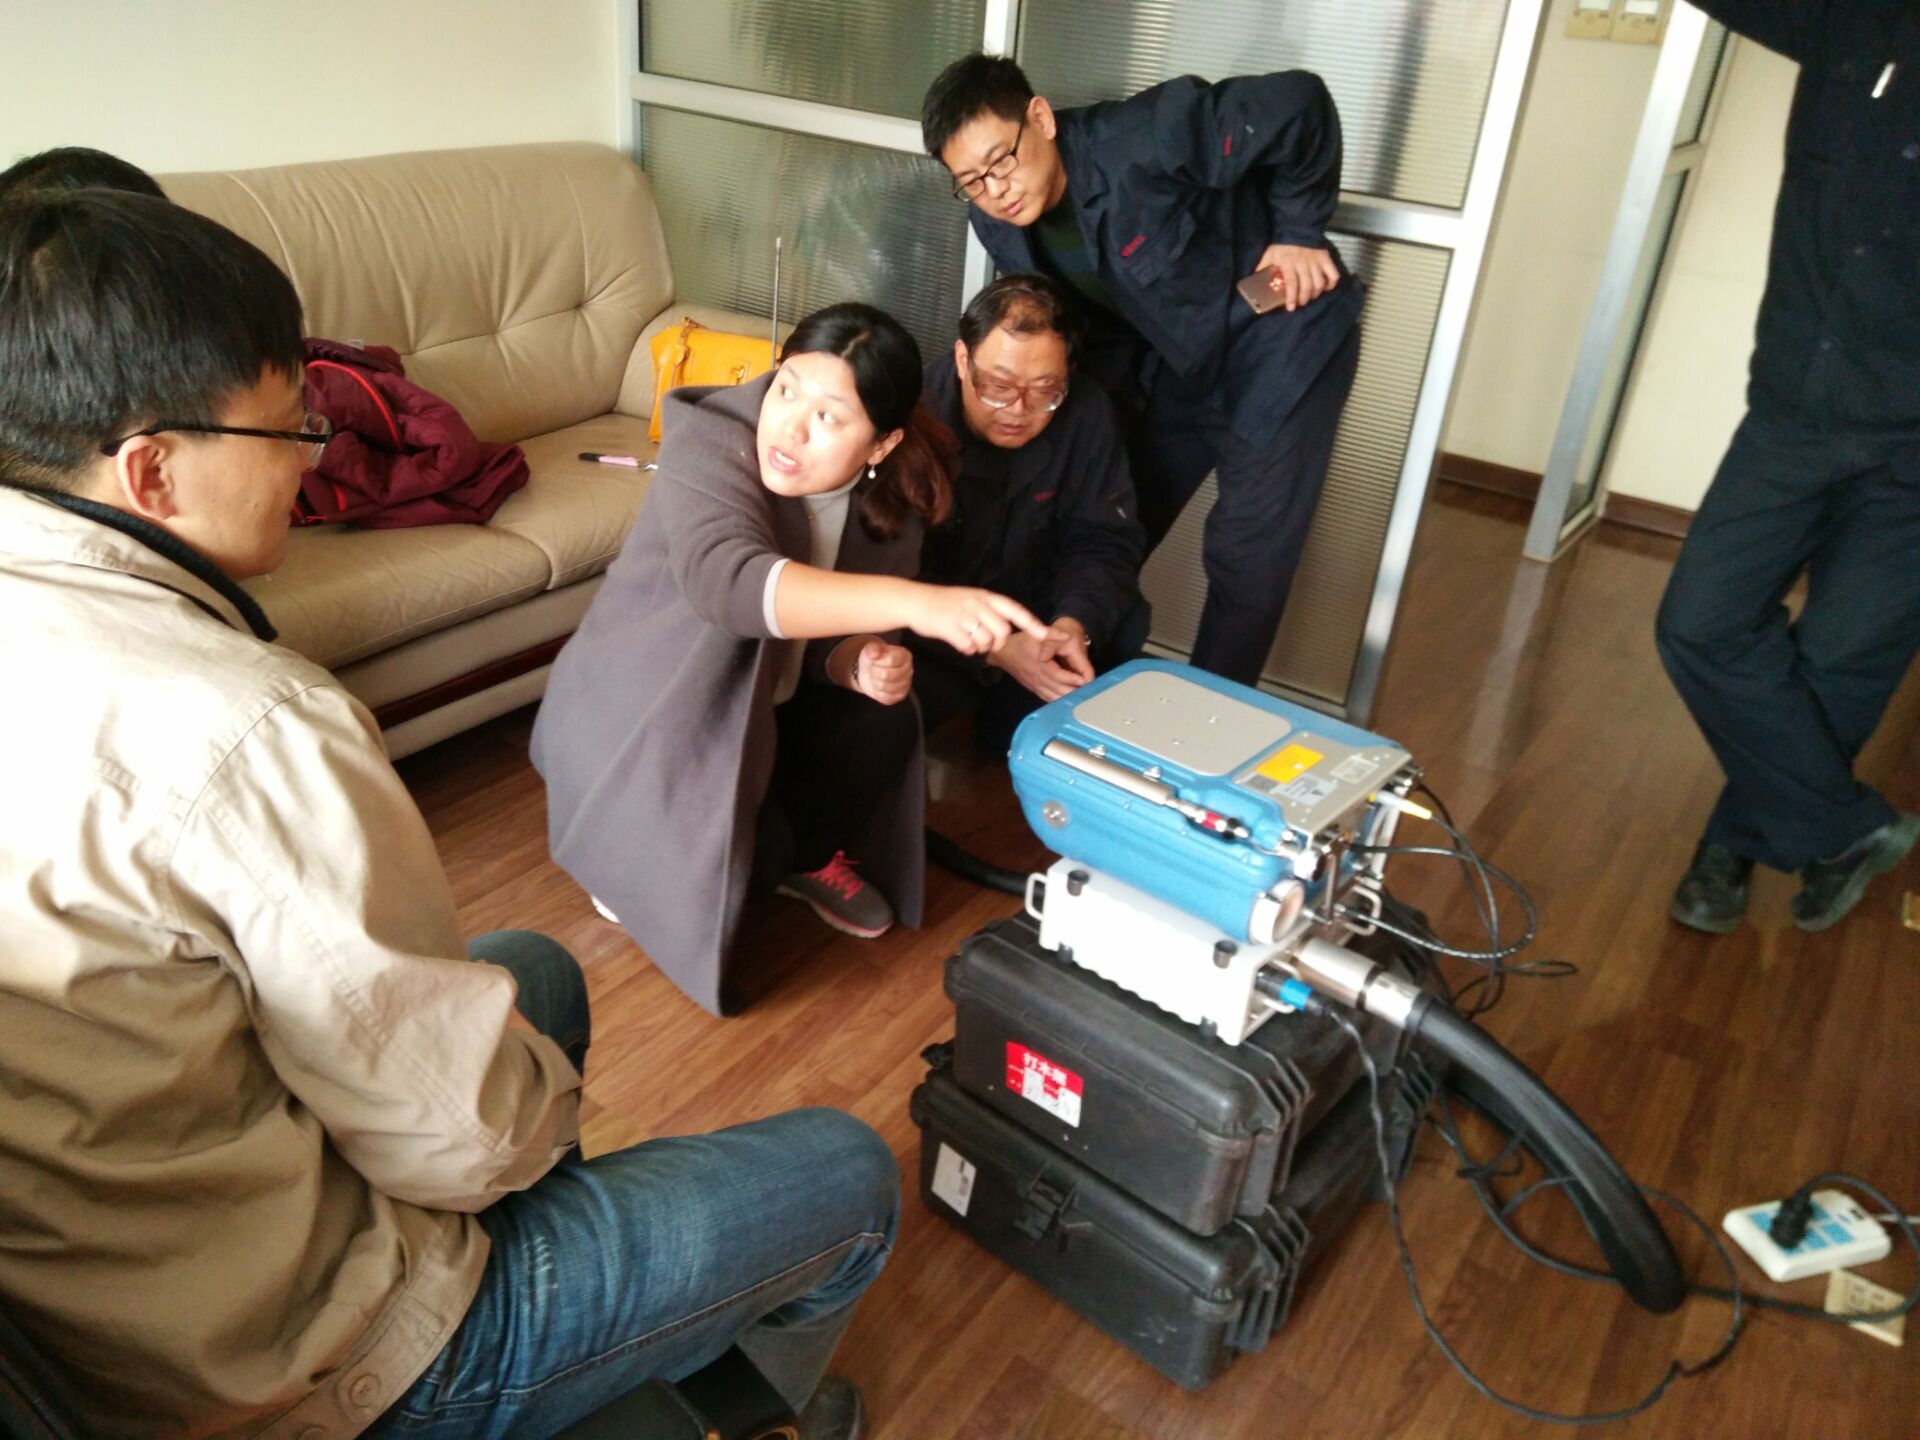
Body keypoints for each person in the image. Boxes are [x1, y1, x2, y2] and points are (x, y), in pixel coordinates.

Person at [0, 189, 894, 1440]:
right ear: (150, 470)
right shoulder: (249, 724)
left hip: (120, 1272)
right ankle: (697, 1394)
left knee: (535, 969)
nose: (313, 458)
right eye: (289, 426)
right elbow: (465, 1140)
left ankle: (604, 1340)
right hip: (301, 1364)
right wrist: (519, 1115)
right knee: (851, 1175)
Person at [533, 302, 1051, 1012]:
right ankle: (660, 846)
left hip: (761, 709)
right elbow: (730, 585)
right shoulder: (709, 440)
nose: (789, 428)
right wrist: (915, 603)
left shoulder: (890, 498)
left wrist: (856, 662)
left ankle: (792, 857)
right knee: (705, 895)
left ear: (880, 445)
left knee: (886, 715)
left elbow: (823, 638)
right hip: (649, 710)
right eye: (785, 390)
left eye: (830, 417)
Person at [922, 52, 1364, 686]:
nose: (996, 190)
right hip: (1179, 359)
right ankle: (1067, 685)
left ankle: (1208, 720)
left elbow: (1299, 103)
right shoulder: (998, 225)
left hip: (1280, 341)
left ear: (1040, 118)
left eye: (1002, 161)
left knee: (1247, 555)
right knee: (1111, 517)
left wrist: (1299, 231)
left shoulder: (1148, 136)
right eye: (971, 181)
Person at [1656, 3, 1920, 935]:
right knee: (1700, 623)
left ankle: (1730, 846)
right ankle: (1846, 828)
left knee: (1842, 663)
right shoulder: (1856, 21)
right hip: (1796, 413)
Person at [913, 272, 1149, 753]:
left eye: (1045, 390)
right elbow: (890, 573)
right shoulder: (914, 414)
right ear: (962, 359)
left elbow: (1104, 540)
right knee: (892, 715)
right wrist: (996, 648)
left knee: (1068, 723)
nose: (1018, 409)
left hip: (1038, 617)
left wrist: (1073, 626)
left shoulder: (1086, 412)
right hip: (934, 625)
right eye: (998, 385)